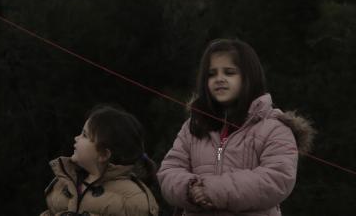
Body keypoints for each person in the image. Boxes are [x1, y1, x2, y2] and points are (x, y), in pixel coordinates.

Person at [157, 39, 314, 215]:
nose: (219, 79)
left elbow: (277, 179)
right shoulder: (193, 126)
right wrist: (190, 188)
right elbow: (169, 170)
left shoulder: (275, 128)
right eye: (212, 74)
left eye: (229, 72)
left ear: (249, 77)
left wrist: (214, 190)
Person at [41, 105, 160, 216]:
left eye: (84, 135)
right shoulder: (64, 182)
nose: (76, 138)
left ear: (103, 154)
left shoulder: (132, 199)